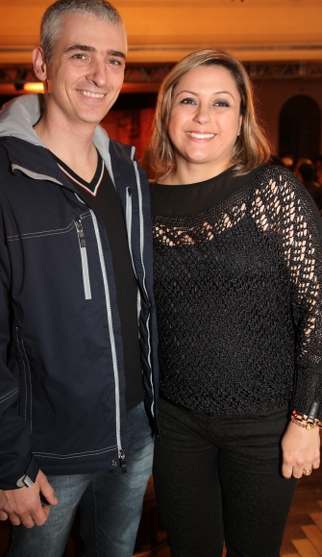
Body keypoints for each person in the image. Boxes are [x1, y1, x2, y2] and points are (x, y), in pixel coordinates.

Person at [0, 0, 158, 557]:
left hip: (133, 429)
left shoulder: (128, 173)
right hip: (45, 448)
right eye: (81, 55)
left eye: (114, 60)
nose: (100, 75)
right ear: (42, 62)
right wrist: (6, 462)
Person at [144, 49, 322, 557]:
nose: (203, 116)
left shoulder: (274, 192)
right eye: (188, 101)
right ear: (167, 112)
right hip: (175, 423)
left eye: (221, 102)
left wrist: (307, 419)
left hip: (263, 425)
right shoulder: (140, 202)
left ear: (242, 117)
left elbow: (317, 309)